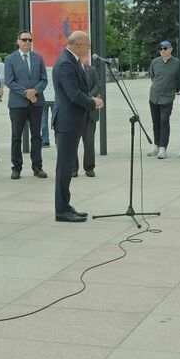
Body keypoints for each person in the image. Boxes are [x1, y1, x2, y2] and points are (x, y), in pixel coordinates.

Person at [52, 31, 104, 222]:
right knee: (64, 167)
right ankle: (61, 210)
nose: (89, 48)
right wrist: (94, 102)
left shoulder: (73, 61)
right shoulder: (65, 63)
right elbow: (74, 94)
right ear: (77, 45)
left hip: (74, 120)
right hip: (67, 122)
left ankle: (65, 205)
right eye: (87, 45)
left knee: (66, 167)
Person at [4, 30, 47, 180]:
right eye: (24, 39)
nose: (27, 42)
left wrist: (35, 91)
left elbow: (44, 79)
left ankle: (37, 167)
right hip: (17, 104)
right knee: (16, 136)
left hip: (36, 103)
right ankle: (16, 168)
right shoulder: (10, 59)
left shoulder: (38, 58)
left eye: (30, 40)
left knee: (37, 136)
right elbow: (9, 81)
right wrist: (25, 93)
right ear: (18, 41)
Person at [147, 40, 180, 159]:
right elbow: (152, 76)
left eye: (165, 48)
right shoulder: (155, 62)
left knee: (164, 120)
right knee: (155, 122)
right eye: (160, 49)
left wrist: (175, 89)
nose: (163, 51)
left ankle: (163, 148)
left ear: (171, 49)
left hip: (167, 97)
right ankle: (156, 145)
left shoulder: (177, 63)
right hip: (154, 96)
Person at [73, 55, 100, 178]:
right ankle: (73, 168)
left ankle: (89, 168)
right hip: (76, 112)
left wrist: (87, 97)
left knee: (89, 142)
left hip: (90, 112)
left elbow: (97, 86)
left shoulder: (92, 70)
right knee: (73, 142)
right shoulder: (72, 69)